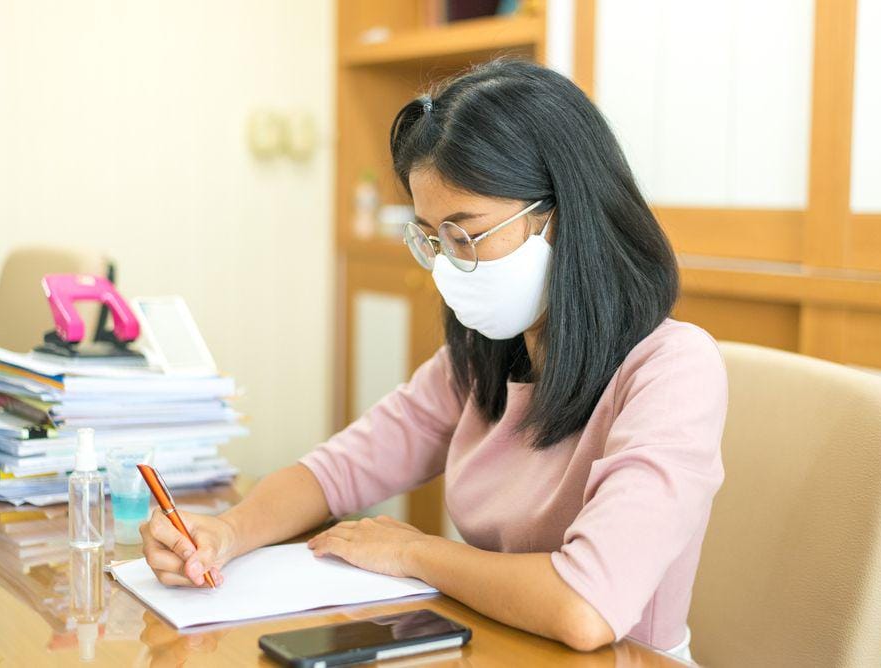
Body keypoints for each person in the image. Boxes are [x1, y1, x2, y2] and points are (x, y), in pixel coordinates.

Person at [139, 58, 726, 660]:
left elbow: (586, 607)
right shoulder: (482, 357)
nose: (448, 263)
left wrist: (412, 552)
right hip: (500, 645)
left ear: (564, 216)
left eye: (466, 233)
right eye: (432, 237)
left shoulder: (673, 370)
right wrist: (226, 533)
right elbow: (336, 471)